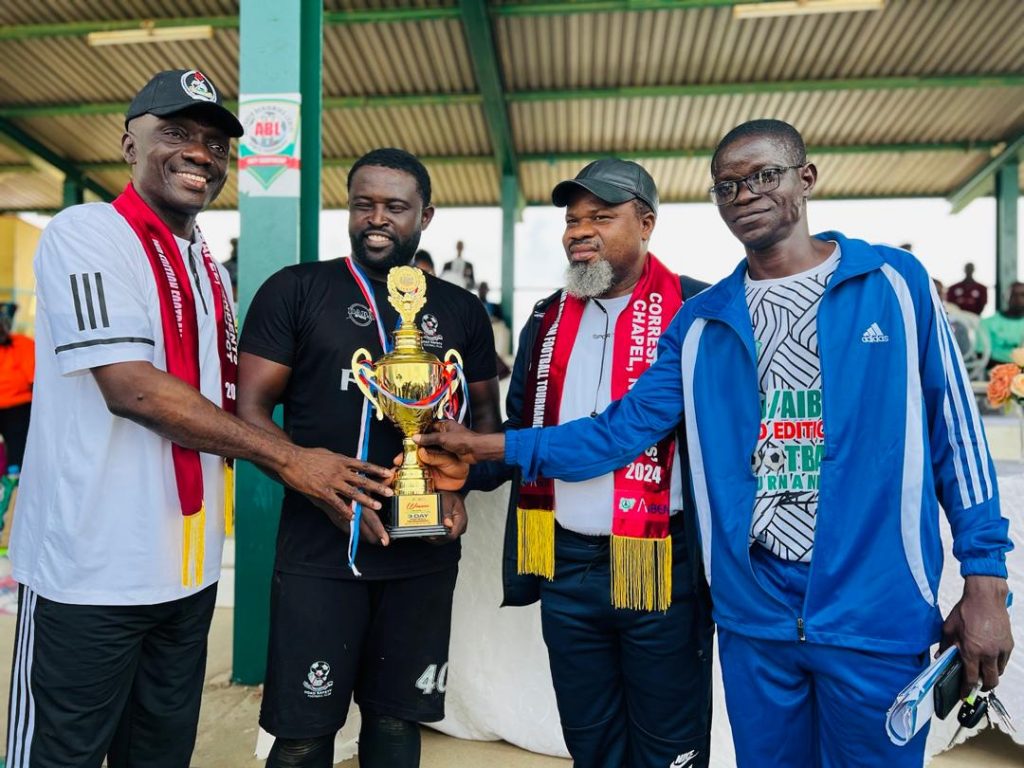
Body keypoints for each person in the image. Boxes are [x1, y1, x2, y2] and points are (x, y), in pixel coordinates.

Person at [418, 120, 1014, 768]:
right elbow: (620, 431)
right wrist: (487, 448)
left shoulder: (893, 285)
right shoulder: (701, 322)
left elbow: (958, 440)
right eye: (728, 185)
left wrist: (985, 581)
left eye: (764, 176)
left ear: (805, 179)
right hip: (755, 620)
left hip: (872, 615)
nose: (746, 194)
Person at [5, 70, 396, 768]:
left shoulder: (206, 265)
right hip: (87, 574)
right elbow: (134, 390)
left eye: (215, 143)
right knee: (57, 757)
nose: (201, 153)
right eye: (177, 133)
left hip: (185, 580)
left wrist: (326, 478)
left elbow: (226, 406)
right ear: (130, 142)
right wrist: (291, 460)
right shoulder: (87, 233)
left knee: (158, 755)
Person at [237, 147, 502, 768]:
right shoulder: (296, 290)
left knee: (395, 722)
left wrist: (461, 490)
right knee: (303, 734)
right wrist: (303, 468)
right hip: (319, 553)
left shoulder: (461, 311)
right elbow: (247, 416)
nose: (376, 219)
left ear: (426, 215)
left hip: (422, 556)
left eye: (394, 207)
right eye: (364, 204)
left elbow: (487, 426)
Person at [464, 158, 713, 767]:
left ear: (647, 222)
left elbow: (618, 436)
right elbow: (519, 428)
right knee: (591, 740)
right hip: (565, 562)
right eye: (573, 220)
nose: (579, 230)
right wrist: (455, 472)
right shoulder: (547, 317)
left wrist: (490, 448)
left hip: (662, 563)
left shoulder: (696, 307)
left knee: (668, 747)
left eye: (602, 216)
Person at [0, 302, 34, 470]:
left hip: (18, 408)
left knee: (18, 450)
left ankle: (14, 478)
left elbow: (32, 379)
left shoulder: (23, 344)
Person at [981, 281, 1024, 365]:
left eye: (1023, 295)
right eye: (1014, 294)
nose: (1018, 299)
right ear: (1005, 296)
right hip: (994, 371)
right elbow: (981, 355)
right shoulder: (987, 323)